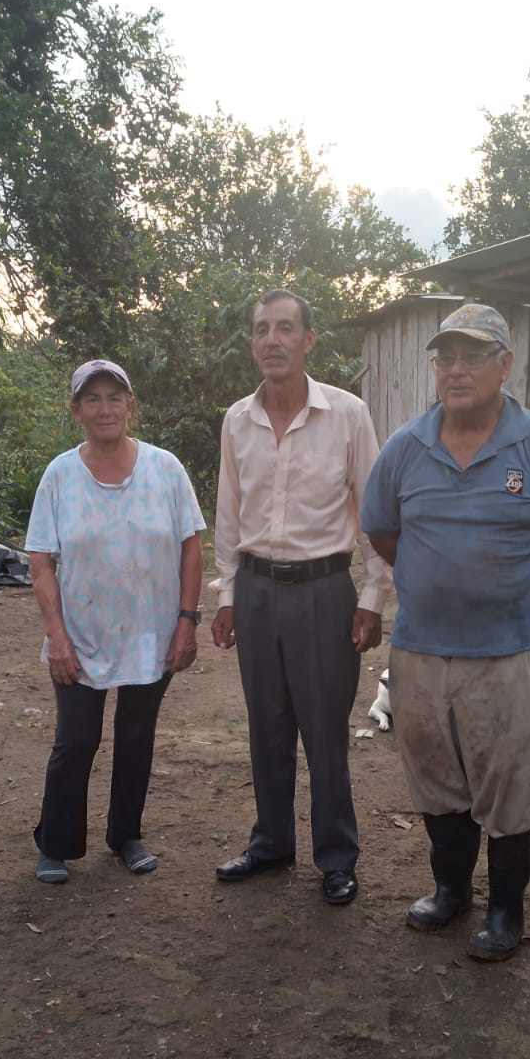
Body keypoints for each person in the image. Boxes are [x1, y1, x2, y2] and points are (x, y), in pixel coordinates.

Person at [360, 303, 530, 961]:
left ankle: (505, 911)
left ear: (505, 364)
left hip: (509, 653)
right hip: (421, 650)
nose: (457, 370)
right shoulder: (406, 447)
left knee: (508, 784)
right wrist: (433, 582)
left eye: (473, 356)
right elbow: (382, 530)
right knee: (436, 779)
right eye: (446, 358)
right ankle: (451, 890)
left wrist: (517, 589)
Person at [211, 289, 389, 905]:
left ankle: (336, 857)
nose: (273, 340)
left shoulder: (346, 414)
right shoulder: (238, 421)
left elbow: (374, 511)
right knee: (266, 725)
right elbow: (229, 513)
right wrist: (228, 593)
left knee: (324, 731)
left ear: (309, 340)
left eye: (286, 328)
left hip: (324, 593)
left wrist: (373, 595)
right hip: (257, 591)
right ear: (252, 342)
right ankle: (271, 843)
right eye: (262, 329)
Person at [26, 359, 205, 884]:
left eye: (114, 397)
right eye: (92, 399)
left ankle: (125, 834)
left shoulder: (165, 469)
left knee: (136, 736)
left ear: (131, 406)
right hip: (80, 636)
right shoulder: (60, 475)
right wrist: (57, 636)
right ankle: (55, 843)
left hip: (151, 632)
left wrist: (187, 621)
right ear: (76, 410)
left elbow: (191, 547)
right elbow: (41, 561)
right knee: (77, 740)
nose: (104, 409)